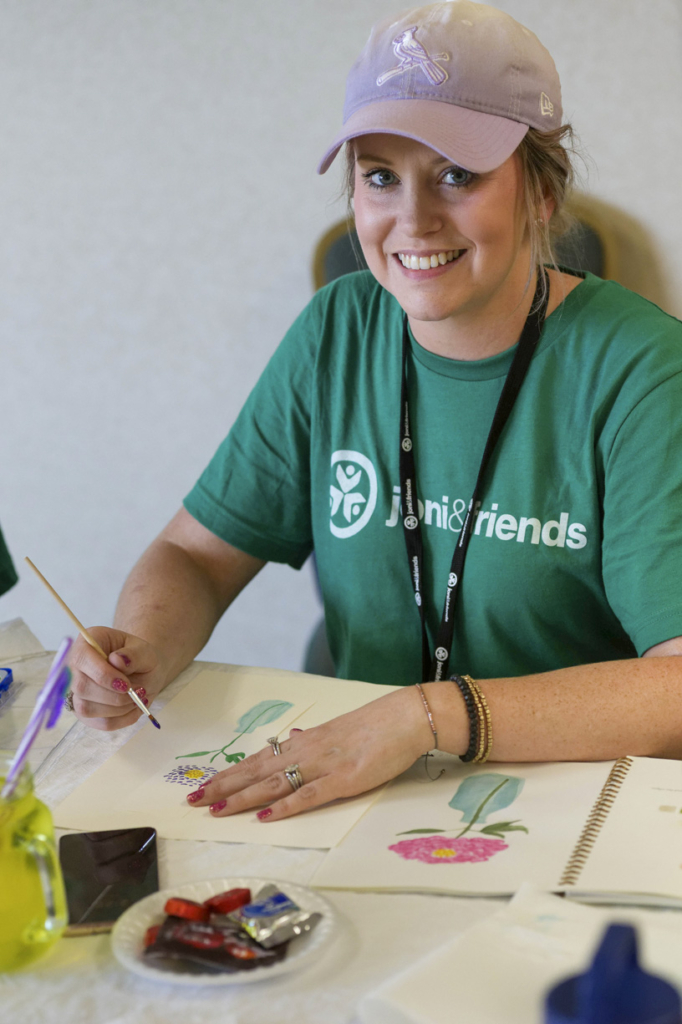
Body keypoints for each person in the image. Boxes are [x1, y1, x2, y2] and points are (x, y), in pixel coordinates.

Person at [69, 1, 682, 824]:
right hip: (358, 792)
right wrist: (143, 649)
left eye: (457, 175)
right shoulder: (335, 329)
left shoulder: (643, 367)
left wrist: (427, 716)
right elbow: (195, 554)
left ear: (541, 193)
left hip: (568, 810)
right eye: (380, 176)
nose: (413, 220)